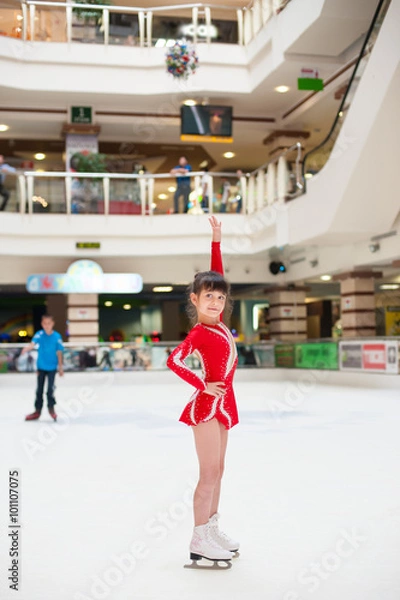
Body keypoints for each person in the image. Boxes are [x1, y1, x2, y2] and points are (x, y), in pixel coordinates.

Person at [167, 216, 239, 568]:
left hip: (224, 405)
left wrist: (216, 241)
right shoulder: (198, 332)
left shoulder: (221, 324)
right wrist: (201, 385)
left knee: (220, 470)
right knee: (208, 474)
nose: (215, 301)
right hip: (207, 407)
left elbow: (217, 274)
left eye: (220, 297)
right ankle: (198, 537)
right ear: (195, 300)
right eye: (208, 296)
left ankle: (211, 529)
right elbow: (174, 360)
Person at [22, 315, 64, 421]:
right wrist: (27, 348)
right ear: (42, 324)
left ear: (53, 324)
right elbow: (32, 344)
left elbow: (59, 352)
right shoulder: (39, 334)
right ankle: (37, 411)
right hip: (41, 367)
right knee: (39, 390)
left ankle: (51, 408)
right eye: (45, 323)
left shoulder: (57, 336)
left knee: (50, 389)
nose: (47, 326)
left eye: (49, 323)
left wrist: (60, 367)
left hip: (52, 368)